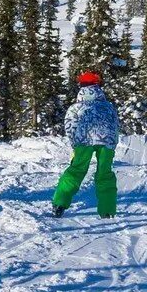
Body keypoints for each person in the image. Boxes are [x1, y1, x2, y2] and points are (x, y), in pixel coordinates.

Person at [51, 70, 119, 218]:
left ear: (81, 86)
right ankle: (107, 210)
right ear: (97, 86)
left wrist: (75, 144)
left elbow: (70, 127)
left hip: (83, 141)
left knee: (76, 170)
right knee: (105, 174)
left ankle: (59, 203)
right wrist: (112, 144)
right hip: (106, 142)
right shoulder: (108, 106)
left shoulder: (75, 107)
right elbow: (115, 125)